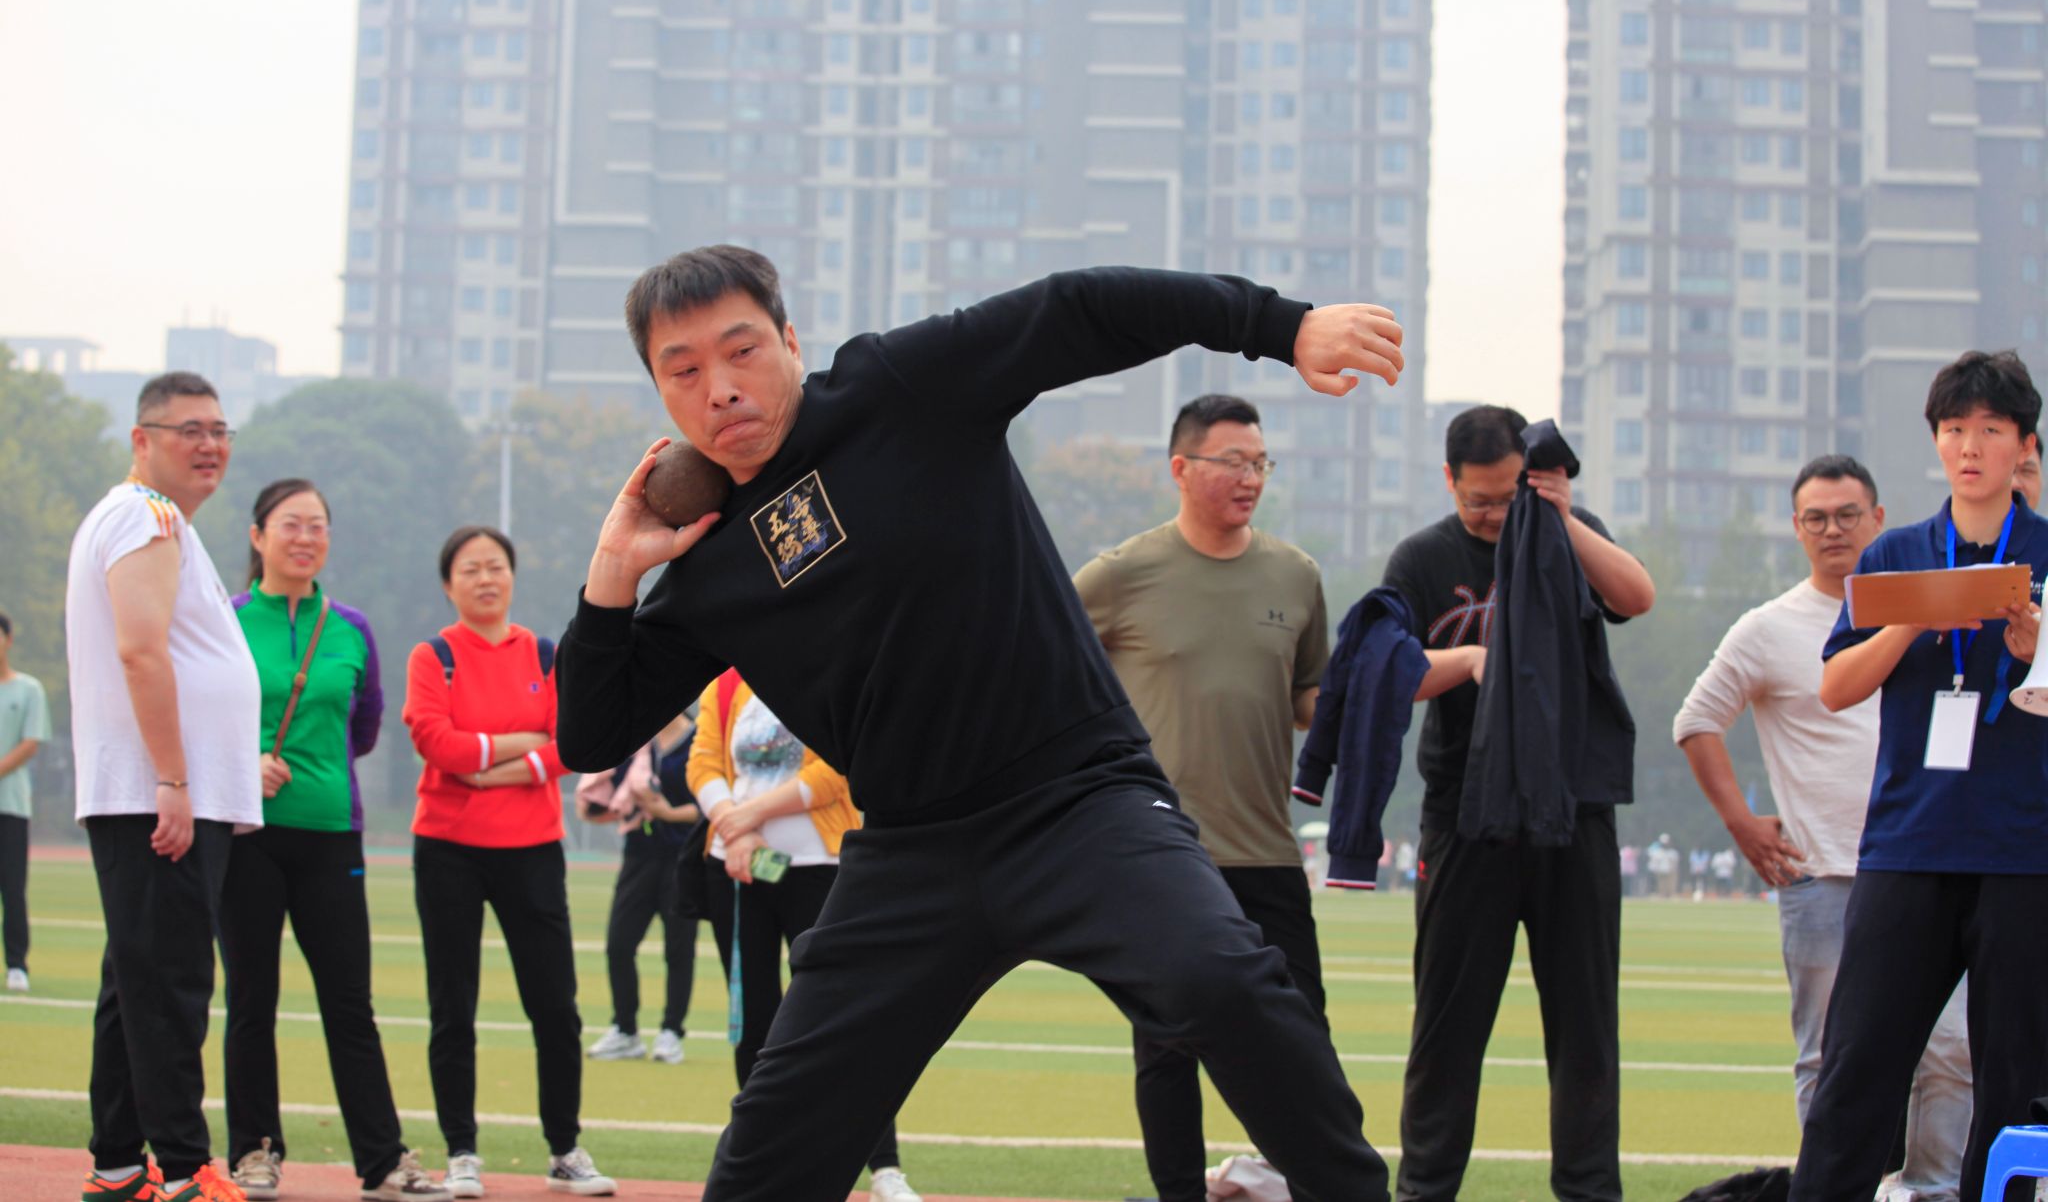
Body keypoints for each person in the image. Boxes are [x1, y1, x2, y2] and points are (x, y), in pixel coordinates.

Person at [553, 247, 1405, 1200]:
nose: (720, 388)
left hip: (1079, 802)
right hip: (908, 855)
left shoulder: (896, 388)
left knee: (1226, 982)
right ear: (662, 394)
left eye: (741, 350)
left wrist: (1280, 325)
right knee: (769, 1155)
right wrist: (613, 573)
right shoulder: (709, 565)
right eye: (683, 370)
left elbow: (1074, 307)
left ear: (790, 340)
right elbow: (590, 735)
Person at [1675, 454, 1971, 1201]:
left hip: (1925, 864)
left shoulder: (1930, 611)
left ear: (1879, 519)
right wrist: (1742, 823)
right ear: (1797, 527)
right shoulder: (1768, 629)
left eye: (1847, 515)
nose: (1833, 529)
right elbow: (1696, 720)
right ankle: (1835, 1191)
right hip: (1822, 875)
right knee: (1830, 1055)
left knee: (1949, 1049)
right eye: (1816, 517)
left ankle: (1933, 1189)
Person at [1381, 404, 1655, 1202]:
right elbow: (1387, 672)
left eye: (1509, 496)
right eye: (1479, 500)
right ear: (1449, 481)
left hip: (1572, 809)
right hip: (1467, 813)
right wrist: (1469, 657)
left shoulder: (1566, 530)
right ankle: (1424, 1189)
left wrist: (1560, 516)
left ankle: (1589, 1190)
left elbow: (1637, 595)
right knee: (1448, 1022)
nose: (1495, 514)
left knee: (1585, 1022)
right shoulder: (1423, 557)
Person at [1793, 351, 2048, 1202]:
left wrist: (2032, 651)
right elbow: (1836, 686)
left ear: (2024, 445)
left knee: (2017, 1081)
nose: (1970, 446)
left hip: (2026, 850)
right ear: (1936, 440)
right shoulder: (1896, 554)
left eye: (1991, 429)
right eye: (1954, 429)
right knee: (1858, 1065)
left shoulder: (2047, 555)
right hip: (1908, 842)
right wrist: (1911, 617)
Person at [1073, 392, 1332, 1202]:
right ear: (1181, 468)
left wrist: (1375, 693)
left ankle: (1308, 1182)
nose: (1251, 477)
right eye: (1233, 462)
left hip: (1267, 847)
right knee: (1166, 1042)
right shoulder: (1120, 574)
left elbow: (1309, 699)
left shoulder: (1296, 575)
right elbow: (1052, 667)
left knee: (1302, 1035)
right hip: (1163, 855)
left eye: (1260, 462)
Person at [220, 479, 450, 1201]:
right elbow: (199, 715)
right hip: (247, 835)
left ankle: (382, 1161)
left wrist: (317, 770)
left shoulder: (350, 627)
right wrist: (242, 762)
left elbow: (367, 723)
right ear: (258, 536)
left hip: (331, 836)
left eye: (317, 525)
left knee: (350, 1003)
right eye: (291, 524)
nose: (305, 537)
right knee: (251, 999)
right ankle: (254, 1151)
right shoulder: (225, 620)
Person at [64, 371, 262, 1202]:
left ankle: (118, 1163)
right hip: (159, 793)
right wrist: (174, 778)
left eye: (219, 430)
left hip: (166, 790)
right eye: (189, 430)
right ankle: (185, 1169)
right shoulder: (142, 516)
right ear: (143, 440)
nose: (209, 444)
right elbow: (140, 651)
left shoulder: (161, 521)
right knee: (172, 984)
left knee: (136, 981)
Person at [402, 525, 614, 1199]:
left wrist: (496, 764)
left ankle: (565, 1147)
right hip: (448, 849)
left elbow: (570, 742)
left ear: (513, 576)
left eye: (495, 566)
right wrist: (518, 742)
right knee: (452, 1006)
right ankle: (461, 1152)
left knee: (555, 1006)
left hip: (532, 848)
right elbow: (435, 741)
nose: (485, 578)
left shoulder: (546, 655)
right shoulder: (434, 657)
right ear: (449, 584)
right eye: (470, 569)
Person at [688, 672, 921, 1202]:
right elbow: (702, 763)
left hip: (820, 868)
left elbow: (838, 769)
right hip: (738, 868)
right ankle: (763, 1161)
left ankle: (884, 1167)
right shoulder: (723, 685)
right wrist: (733, 827)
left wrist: (748, 815)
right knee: (754, 1023)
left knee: (844, 1021)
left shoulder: (828, 670)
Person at [579, 710, 701, 1066]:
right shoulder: (636, 740)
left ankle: (671, 1031)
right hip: (638, 856)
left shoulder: (697, 740)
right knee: (619, 944)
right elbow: (608, 783)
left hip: (682, 857)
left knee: (679, 949)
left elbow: (712, 805)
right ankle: (625, 1029)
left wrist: (668, 813)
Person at [0, 605, 50, 994]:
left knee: (12, 887)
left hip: (11, 804)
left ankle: (17, 964)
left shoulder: (28, 689)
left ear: (9, 639)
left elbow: (31, 742)